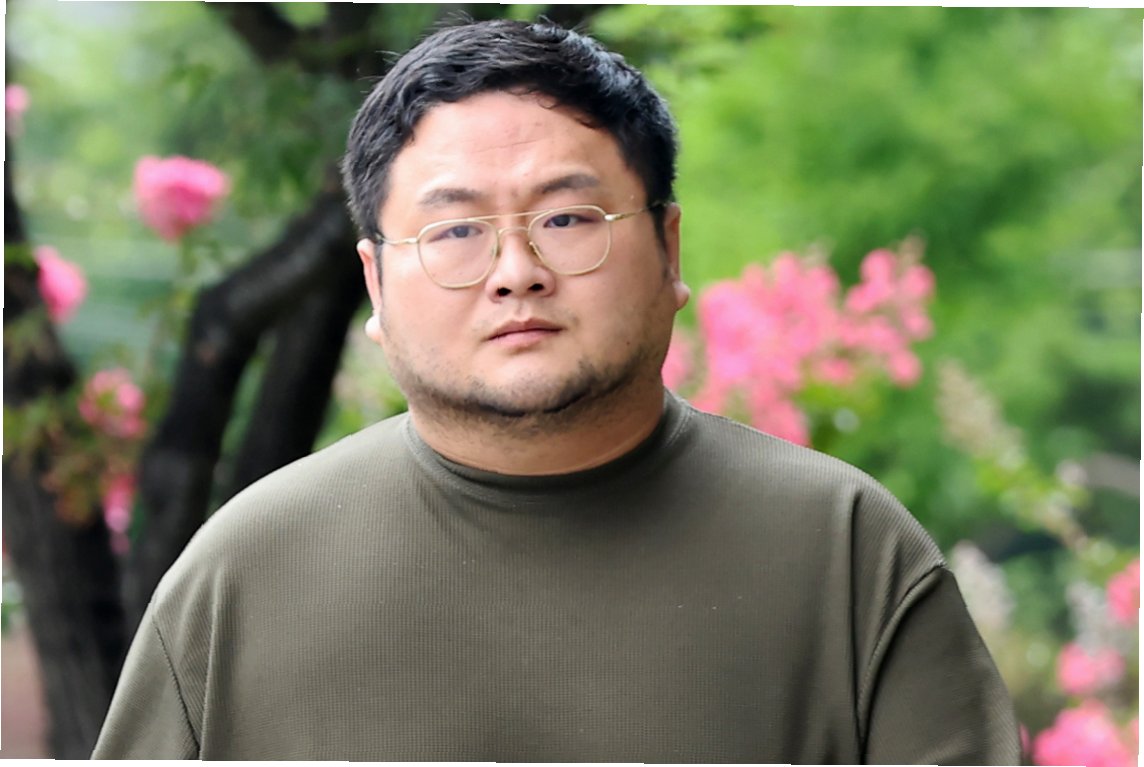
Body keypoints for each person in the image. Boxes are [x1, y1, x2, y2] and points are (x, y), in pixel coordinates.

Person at [92, 19, 1021, 763]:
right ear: (375, 283)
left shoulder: (845, 549)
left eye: (568, 218)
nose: (516, 272)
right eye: (456, 232)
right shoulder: (243, 575)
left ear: (668, 247)